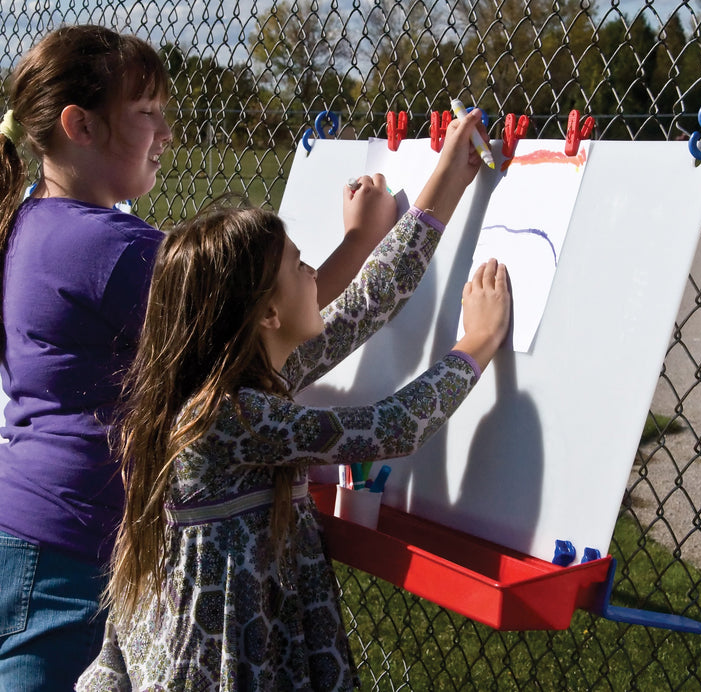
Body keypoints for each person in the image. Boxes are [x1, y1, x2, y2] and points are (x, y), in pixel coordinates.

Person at [0, 24, 396, 690]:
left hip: (31, 527)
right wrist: (362, 242)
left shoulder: (31, 219)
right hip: (74, 548)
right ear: (81, 126)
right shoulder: (113, 248)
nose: (167, 134)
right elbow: (264, 319)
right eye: (147, 114)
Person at [76, 112, 508, 689]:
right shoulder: (230, 416)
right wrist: (476, 342)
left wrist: (449, 176)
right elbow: (391, 428)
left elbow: (368, 303)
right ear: (268, 315)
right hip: (213, 668)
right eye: (299, 266)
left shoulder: (244, 377)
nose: (315, 275)